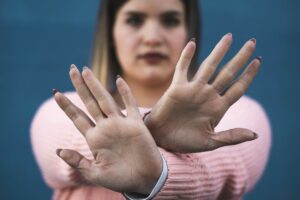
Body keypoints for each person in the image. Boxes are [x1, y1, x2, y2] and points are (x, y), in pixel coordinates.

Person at [31, 0, 271, 199]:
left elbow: (224, 170)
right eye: (134, 20)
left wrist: (151, 163)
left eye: (170, 20)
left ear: (189, 30)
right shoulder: (63, 111)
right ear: (111, 32)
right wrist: (154, 130)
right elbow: (55, 154)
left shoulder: (243, 114)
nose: (153, 37)